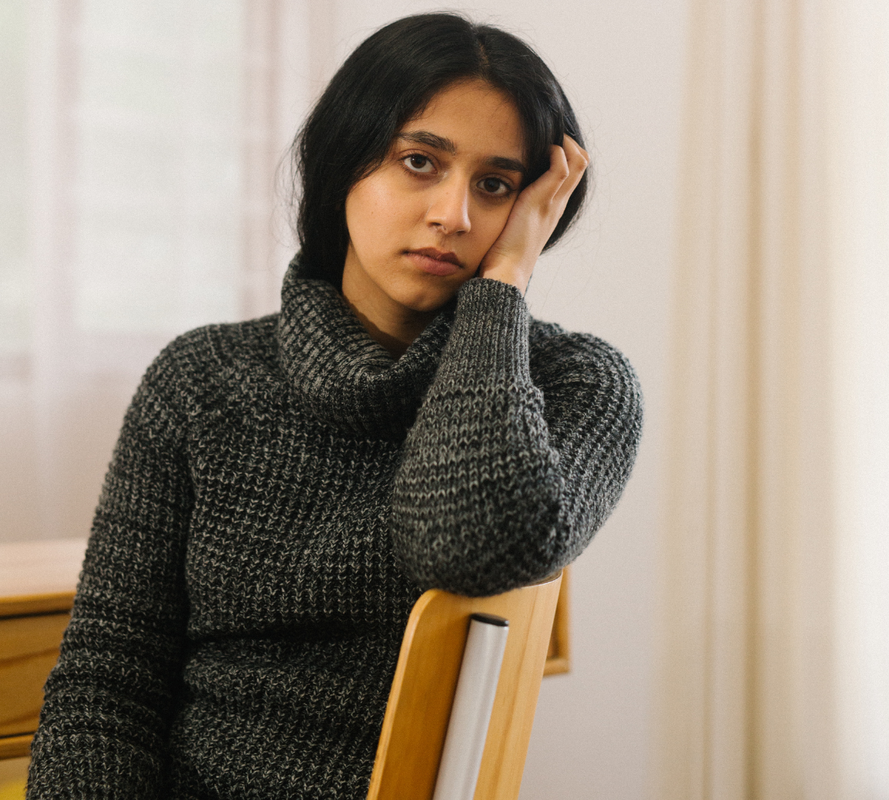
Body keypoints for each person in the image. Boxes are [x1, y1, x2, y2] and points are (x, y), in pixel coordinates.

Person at [27, 12, 642, 800]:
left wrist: (501, 292)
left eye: (494, 186)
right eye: (419, 162)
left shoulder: (577, 385)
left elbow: (472, 547)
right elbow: (107, 683)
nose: (454, 215)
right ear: (342, 163)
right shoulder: (201, 380)